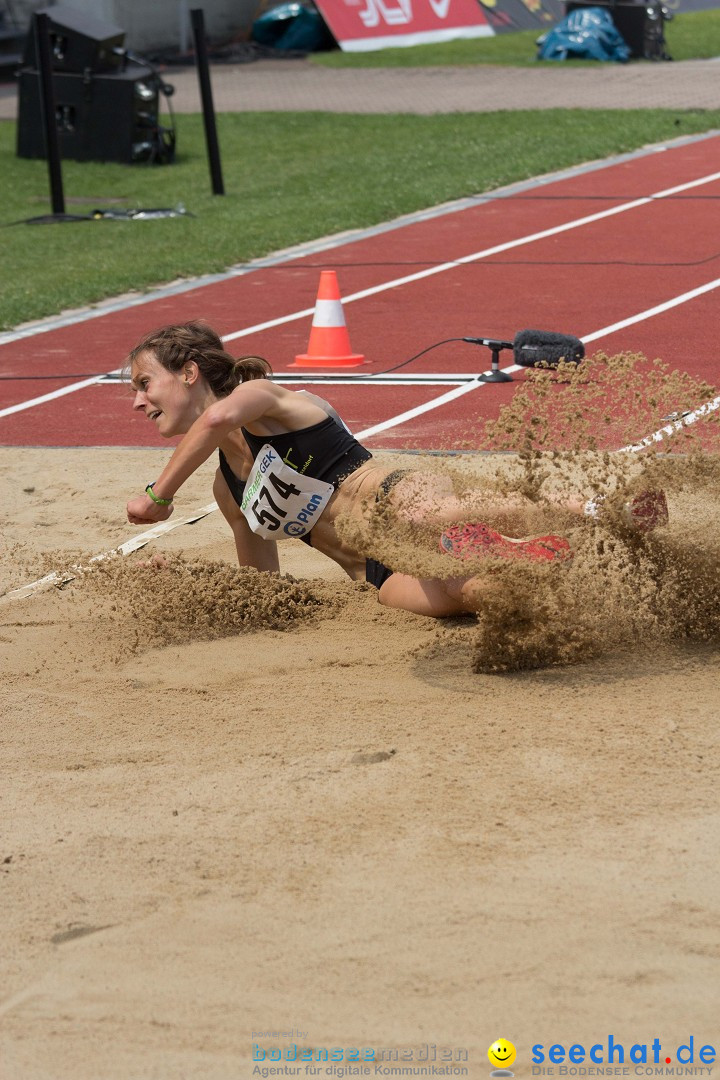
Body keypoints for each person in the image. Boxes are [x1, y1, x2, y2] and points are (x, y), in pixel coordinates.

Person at [125, 321, 667, 618]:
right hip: (379, 573)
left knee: (435, 514)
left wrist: (159, 494)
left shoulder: (260, 397)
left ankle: (602, 509)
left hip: (388, 495)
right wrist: (188, 589)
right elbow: (261, 585)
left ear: (190, 372)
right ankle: (565, 568)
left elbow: (218, 416)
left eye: (143, 384)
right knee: (478, 594)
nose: (137, 402)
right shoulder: (228, 488)